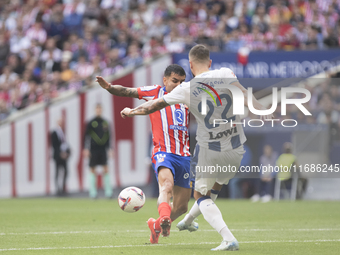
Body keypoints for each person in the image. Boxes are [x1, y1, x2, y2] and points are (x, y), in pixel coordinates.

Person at [120, 44, 272, 251]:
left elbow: (153, 105)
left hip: (210, 150)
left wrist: (131, 111)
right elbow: (244, 94)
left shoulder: (186, 88)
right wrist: (262, 109)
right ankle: (187, 221)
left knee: (201, 197)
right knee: (215, 188)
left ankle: (228, 238)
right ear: (210, 62)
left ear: (190, 66)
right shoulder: (225, 73)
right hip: (237, 148)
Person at [95, 64, 193, 244]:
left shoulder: (187, 97)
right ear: (165, 80)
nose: (179, 85)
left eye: (181, 81)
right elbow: (127, 91)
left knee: (181, 207)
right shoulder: (156, 92)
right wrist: (109, 88)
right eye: (174, 81)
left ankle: (156, 226)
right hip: (163, 152)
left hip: (184, 155)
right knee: (166, 186)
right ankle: (164, 219)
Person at [83, 104, 113, 199]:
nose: (98, 111)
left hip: (103, 149)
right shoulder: (91, 122)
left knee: (105, 169)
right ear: (95, 110)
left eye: (100, 109)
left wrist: (110, 149)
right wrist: (85, 148)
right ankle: (93, 193)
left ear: (102, 110)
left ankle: (108, 192)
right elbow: (85, 136)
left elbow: (109, 137)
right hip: (93, 149)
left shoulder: (105, 122)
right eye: (97, 109)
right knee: (92, 169)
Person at [51, 116, 71, 196]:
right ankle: (57, 189)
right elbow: (54, 145)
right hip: (58, 156)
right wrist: (60, 153)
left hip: (64, 156)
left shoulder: (63, 132)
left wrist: (67, 151)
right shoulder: (54, 133)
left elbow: (65, 144)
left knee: (66, 171)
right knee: (57, 172)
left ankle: (63, 187)